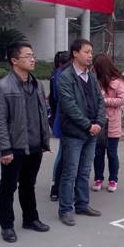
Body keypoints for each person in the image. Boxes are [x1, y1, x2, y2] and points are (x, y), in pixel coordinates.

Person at [0, 42, 51, 243]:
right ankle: (7, 225)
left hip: (35, 145)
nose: (32, 59)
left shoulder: (37, 85)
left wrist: (44, 139)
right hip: (14, 148)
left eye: (33, 55)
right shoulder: (2, 87)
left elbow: (42, 114)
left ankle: (30, 219)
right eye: (27, 56)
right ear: (14, 60)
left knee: (28, 185)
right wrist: (4, 149)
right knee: (8, 187)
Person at [57, 39, 106, 226]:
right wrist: (88, 125)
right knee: (70, 172)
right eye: (86, 52)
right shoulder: (65, 77)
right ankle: (65, 209)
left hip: (92, 132)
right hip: (74, 134)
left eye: (91, 52)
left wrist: (99, 123)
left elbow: (100, 101)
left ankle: (82, 204)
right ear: (75, 53)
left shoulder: (91, 76)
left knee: (85, 171)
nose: (90, 55)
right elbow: (69, 107)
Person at [91, 54, 124, 193]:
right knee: (98, 153)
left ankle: (113, 179)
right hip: (99, 122)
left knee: (112, 153)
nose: (94, 70)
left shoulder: (118, 82)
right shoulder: (95, 80)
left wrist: (104, 100)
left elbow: (123, 100)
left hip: (112, 122)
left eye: (96, 68)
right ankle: (98, 178)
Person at [48, 50, 70, 201]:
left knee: (64, 155)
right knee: (63, 155)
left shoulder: (56, 74)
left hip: (60, 120)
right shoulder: (61, 75)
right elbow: (59, 99)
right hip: (63, 121)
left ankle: (58, 186)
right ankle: (56, 186)